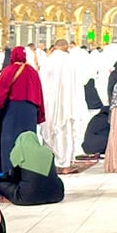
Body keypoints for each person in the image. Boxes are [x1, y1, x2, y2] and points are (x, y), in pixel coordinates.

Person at [0, 46, 45, 174]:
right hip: (30, 110)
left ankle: (10, 173)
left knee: (10, 142)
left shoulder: (8, 71)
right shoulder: (32, 71)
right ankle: (28, 172)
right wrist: (40, 113)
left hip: (12, 110)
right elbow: (39, 93)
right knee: (28, 142)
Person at [39, 39, 87, 174]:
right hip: (67, 104)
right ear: (66, 48)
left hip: (50, 103)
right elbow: (80, 82)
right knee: (65, 133)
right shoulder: (71, 61)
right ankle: (65, 164)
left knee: (49, 132)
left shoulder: (48, 61)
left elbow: (42, 81)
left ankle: (49, 165)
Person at [0, 131, 64, 206]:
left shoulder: (19, 152)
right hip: (56, 195)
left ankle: (8, 197)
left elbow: (14, 178)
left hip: (27, 198)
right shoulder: (48, 152)